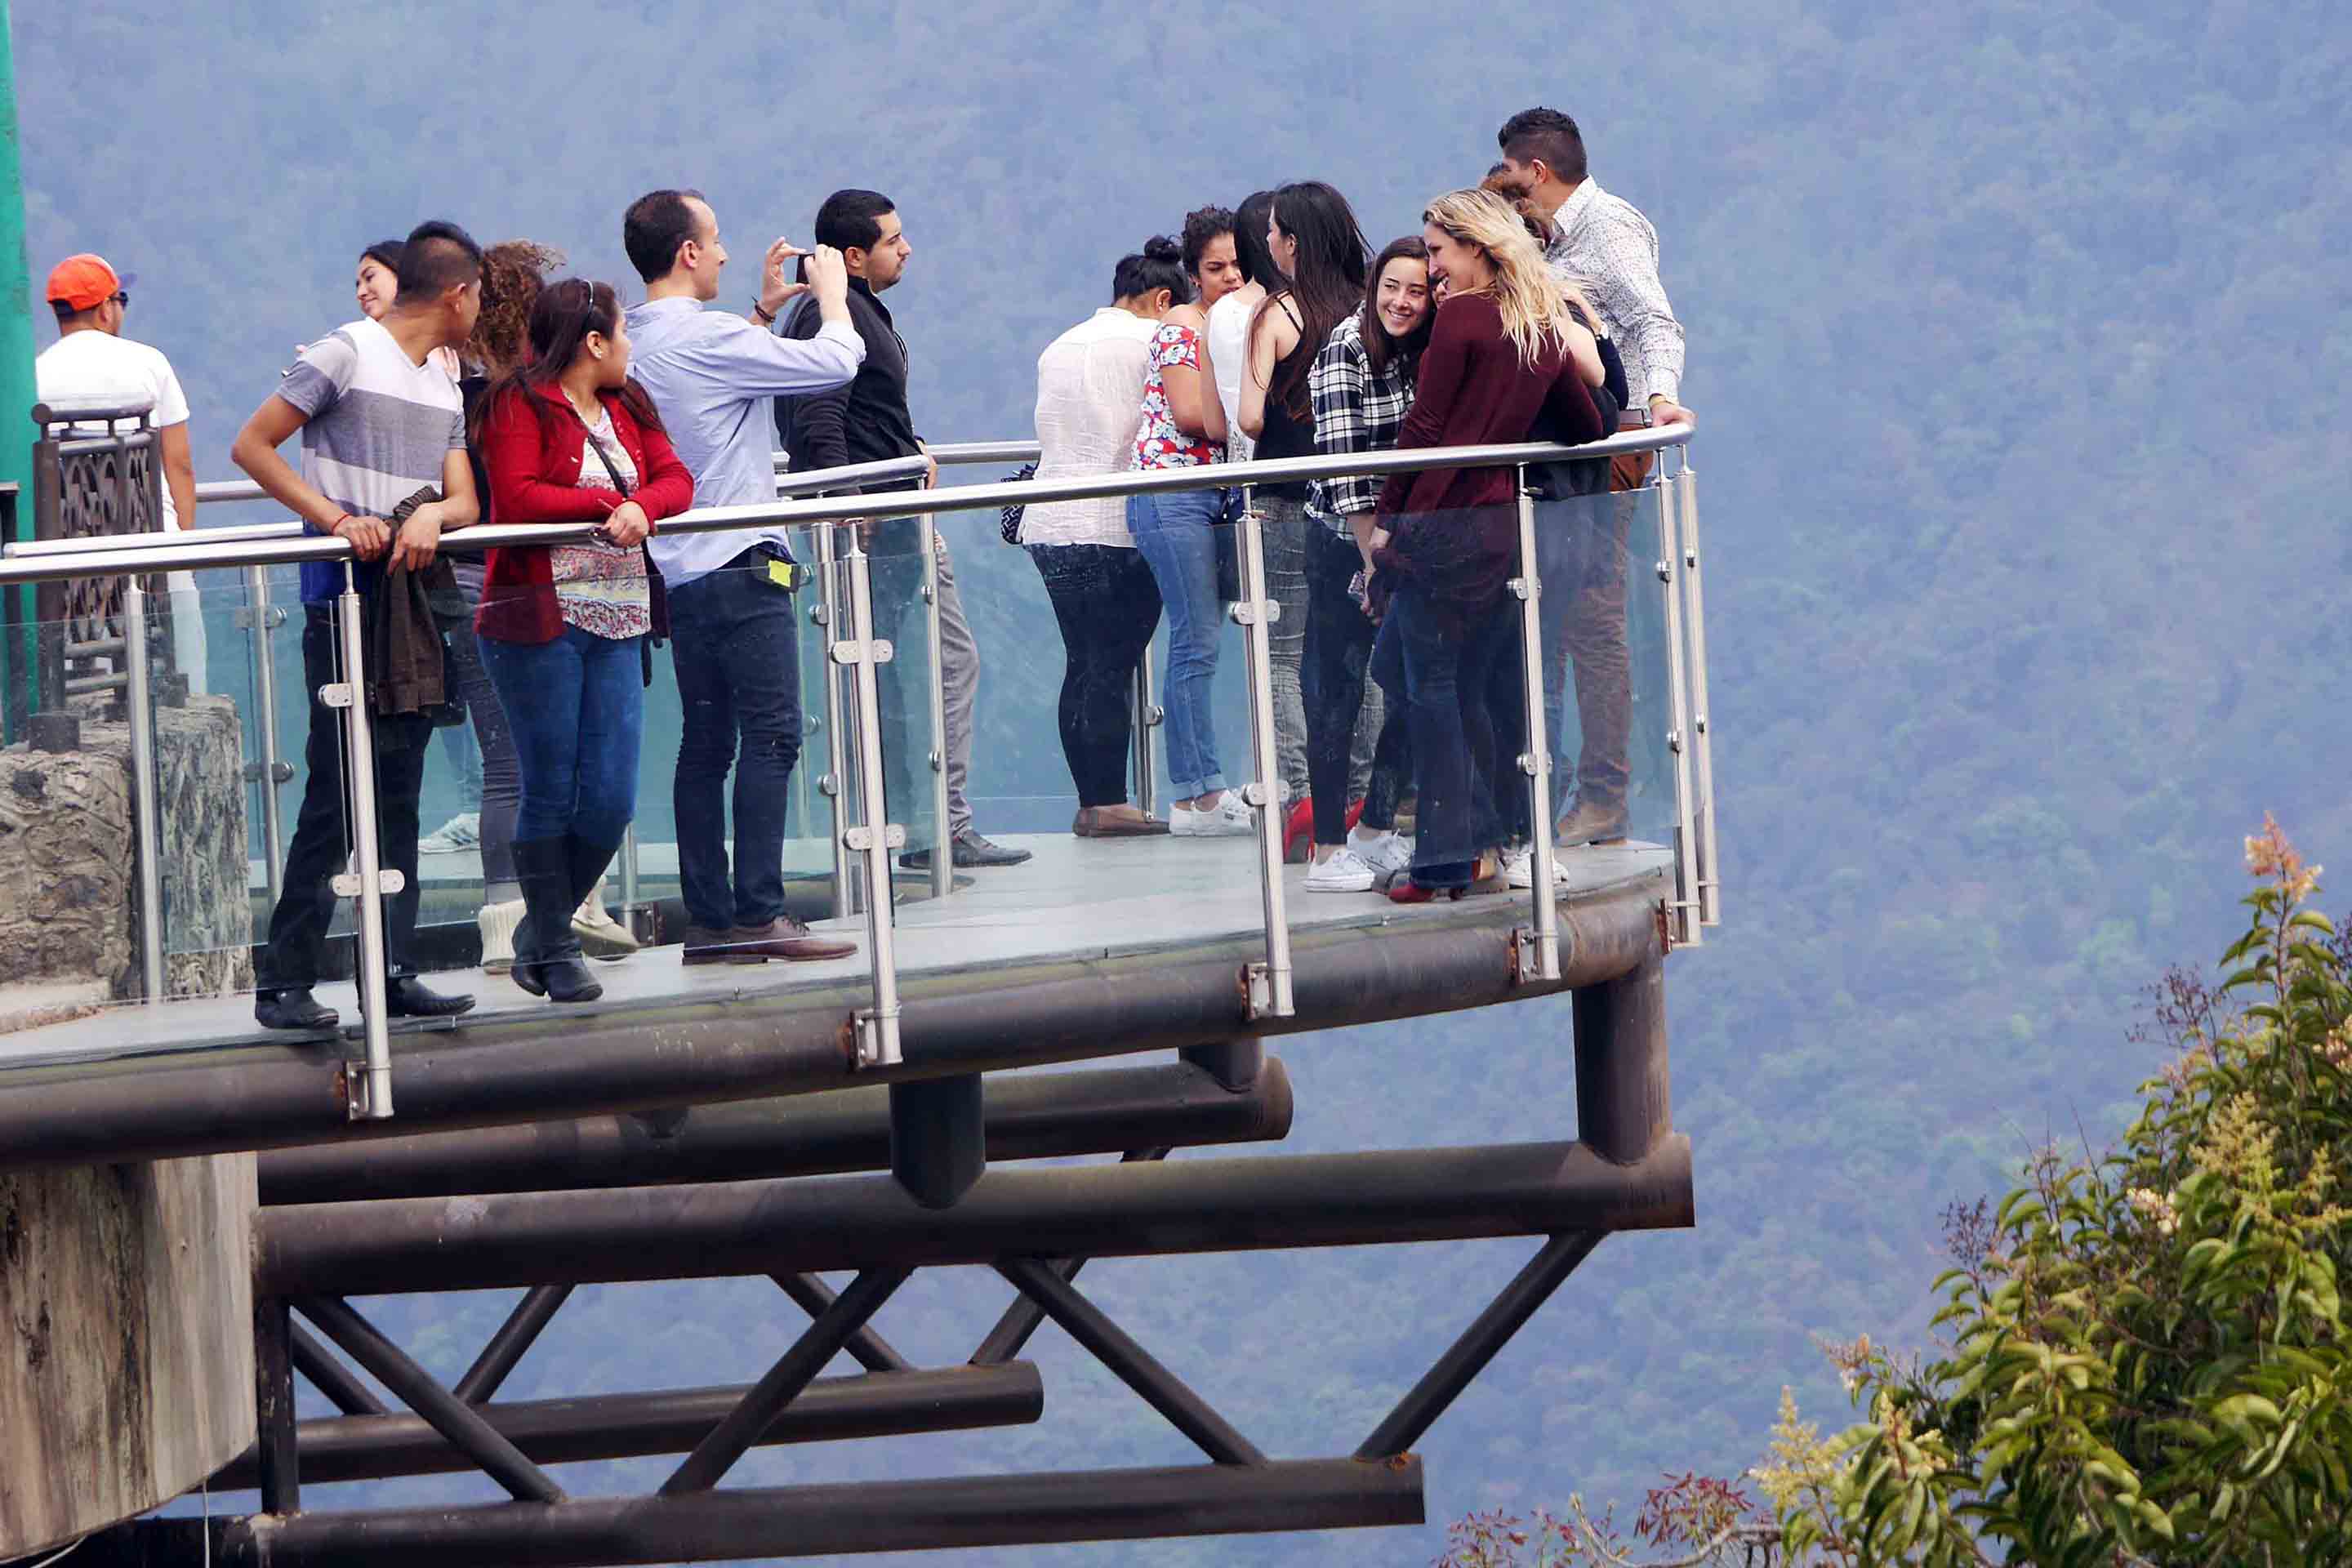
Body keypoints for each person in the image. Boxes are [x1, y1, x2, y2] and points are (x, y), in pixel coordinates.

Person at [231, 220, 486, 1029]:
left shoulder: (443, 383)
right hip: (340, 604)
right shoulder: (344, 351)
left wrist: (430, 518)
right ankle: (286, 980)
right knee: (338, 791)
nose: (479, 310)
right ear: (455, 293)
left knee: (401, 792)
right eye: (477, 295)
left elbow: (466, 502)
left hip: (408, 603)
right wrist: (338, 519)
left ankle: (393, 968)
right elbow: (255, 445)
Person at [621, 187, 862, 965]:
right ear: (688, 253)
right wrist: (833, 298)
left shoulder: (631, 341)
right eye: (716, 239)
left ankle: (711, 920)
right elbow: (835, 362)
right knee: (774, 735)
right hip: (746, 566)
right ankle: (762, 912)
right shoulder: (711, 337)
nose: (725, 252)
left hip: (679, 572)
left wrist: (758, 316)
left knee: (705, 747)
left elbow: (711, 396)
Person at [776, 189, 1029, 871]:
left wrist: (908, 445)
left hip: (890, 511)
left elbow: (857, 411)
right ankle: (931, 826)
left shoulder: (849, 312)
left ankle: (916, 823)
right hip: (877, 526)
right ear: (854, 256)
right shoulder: (832, 318)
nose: (907, 247)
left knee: (906, 669)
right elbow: (820, 418)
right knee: (930, 666)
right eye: (893, 240)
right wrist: (850, 504)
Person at [1368, 189, 1605, 902]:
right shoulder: (1539, 323)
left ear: (1477, 246)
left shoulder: (1465, 318)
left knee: (1430, 687)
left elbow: (1424, 426)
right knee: (1474, 685)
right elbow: (1589, 425)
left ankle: (1450, 858)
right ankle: (1499, 836)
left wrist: (1386, 517)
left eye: (1439, 251)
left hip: (1438, 525)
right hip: (1503, 531)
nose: (1433, 267)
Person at [474, 278, 694, 1003]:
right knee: (551, 785)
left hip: (621, 616)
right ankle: (559, 946)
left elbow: (676, 480)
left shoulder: (628, 404)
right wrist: (616, 505)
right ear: (594, 343)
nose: (630, 347)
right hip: (538, 615)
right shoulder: (518, 404)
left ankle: (539, 935)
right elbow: (520, 495)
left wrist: (643, 505)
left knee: (610, 797)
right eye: (624, 334)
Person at [1492, 106, 1692, 847]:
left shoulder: (1607, 227)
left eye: (1512, 174)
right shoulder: (1543, 239)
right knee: (1552, 611)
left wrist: (1659, 399)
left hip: (1610, 445)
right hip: (1560, 447)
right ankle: (1551, 782)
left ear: (1536, 171)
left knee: (1596, 614)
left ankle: (1604, 796)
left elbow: (1652, 321)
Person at [417, 243, 572, 973]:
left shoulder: (453, 395)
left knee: (508, 762)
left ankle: (510, 914)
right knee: (530, 760)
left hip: (463, 580)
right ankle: (528, 916)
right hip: (511, 581)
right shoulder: (523, 402)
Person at [1021, 238, 1189, 837]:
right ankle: (1110, 803)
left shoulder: (1058, 345)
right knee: (1112, 665)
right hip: (1116, 525)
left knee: (1083, 663)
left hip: (1049, 522)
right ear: (1163, 299)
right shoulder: (1153, 343)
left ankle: (1093, 799)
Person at [1238, 181, 1370, 856]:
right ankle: (1365, 796)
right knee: (1361, 651)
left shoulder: (1279, 313)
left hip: (1285, 494)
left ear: (1291, 242)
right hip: (1359, 503)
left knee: (1284, 655)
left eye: (1273, 233)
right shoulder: (1369, 304)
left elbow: (1251, 416)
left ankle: (1299, 797)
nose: (1266, 244)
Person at [1299, 237, 1432, 893]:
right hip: (1341, 541)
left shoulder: (1424, 351)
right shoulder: (1346, 347)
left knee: (1413, 685)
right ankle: (1326, 851)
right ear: (1373, 285)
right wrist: (1372, 565)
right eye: (1392, 287)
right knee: (1337, 692)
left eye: (1416, 290)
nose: (1401, 302)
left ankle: (1376, 826)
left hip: (1403, 543)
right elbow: (1347, 470)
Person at [33, 252, 207, 694]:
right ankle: (185, 692)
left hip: (71, 562)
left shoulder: (34, 376)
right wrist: (184, 544)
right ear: (106, 308)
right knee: (182, 656)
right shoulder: (148, 363)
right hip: (150, 548)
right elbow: (180, 465)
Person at [1125, 220, 1237, 836]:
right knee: (1195, 639)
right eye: (1218, 269)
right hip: (1171, 493)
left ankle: (1205, 786)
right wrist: (1258, 414)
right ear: (1194, 275)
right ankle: (1196, 795)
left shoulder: (1226, 327)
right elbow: (1192, 414)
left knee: (1204, 636)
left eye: (1238, 266)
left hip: (1209, 497)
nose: (1231, 279)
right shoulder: (1182, 330)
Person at [1203, 192, 1275, 464]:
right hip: (1294, 471)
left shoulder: (1216, 315)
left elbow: (1213, 425)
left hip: (1239, 473)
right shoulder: (1293, 307)